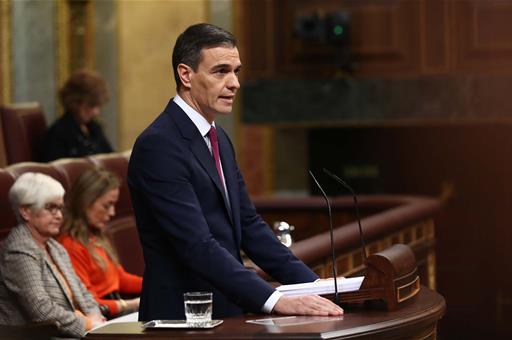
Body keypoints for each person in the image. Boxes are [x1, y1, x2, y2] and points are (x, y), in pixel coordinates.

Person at [127, 23, 343, 321]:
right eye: (221, 71)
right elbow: (196, 245)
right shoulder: (159, 145)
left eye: (236, 71)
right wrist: (274, 299)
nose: (234, 83)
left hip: (227, 311)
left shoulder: (218, 138)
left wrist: (314, 285)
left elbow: (248, 224)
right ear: (185, 74)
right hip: (181, 319)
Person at [0, 172, 105, 338]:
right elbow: (40, 309)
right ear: (26, 211)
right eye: (50, 208)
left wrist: (96, 317)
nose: (59, 215)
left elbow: (82, 291)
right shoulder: (18, 250)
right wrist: (87, 324)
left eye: (60, 208)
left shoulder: (55, 247)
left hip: (73, 332)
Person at [58, 168, 141, 318]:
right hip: (104, 315)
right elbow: (88, 303)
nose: (112, 213)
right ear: (85, 202)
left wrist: (157, 285)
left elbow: (120, 278)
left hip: (118, 307)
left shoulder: (96, 236)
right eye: (106, 205)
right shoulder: (70, 245)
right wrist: (131, 304)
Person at [42, 69, 113, 162]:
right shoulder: (58, 134)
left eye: (98, 106)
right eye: (91, 105)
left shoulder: (94, 128)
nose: (96, 112)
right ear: (75, 102)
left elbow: (111, 158)